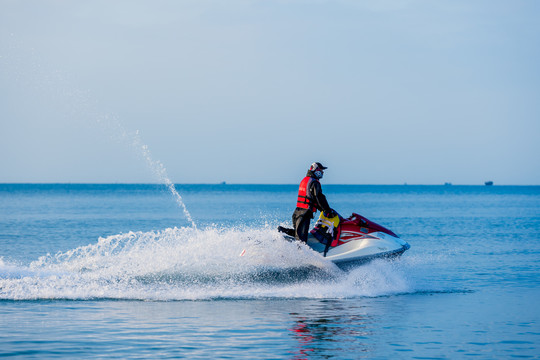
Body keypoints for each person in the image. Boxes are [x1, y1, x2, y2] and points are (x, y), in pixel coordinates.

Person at [292, 162, 336, 242]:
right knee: (301, 240)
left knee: (298, 234)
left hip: (297, 212)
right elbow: (319, 198)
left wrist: (323, 209)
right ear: (317, 170)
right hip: (304, 213)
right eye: (321, 170)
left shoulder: (305, 180)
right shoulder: (314, 182)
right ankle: (300, 253)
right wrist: (327, 210)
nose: (323, 172)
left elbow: (312, 199)